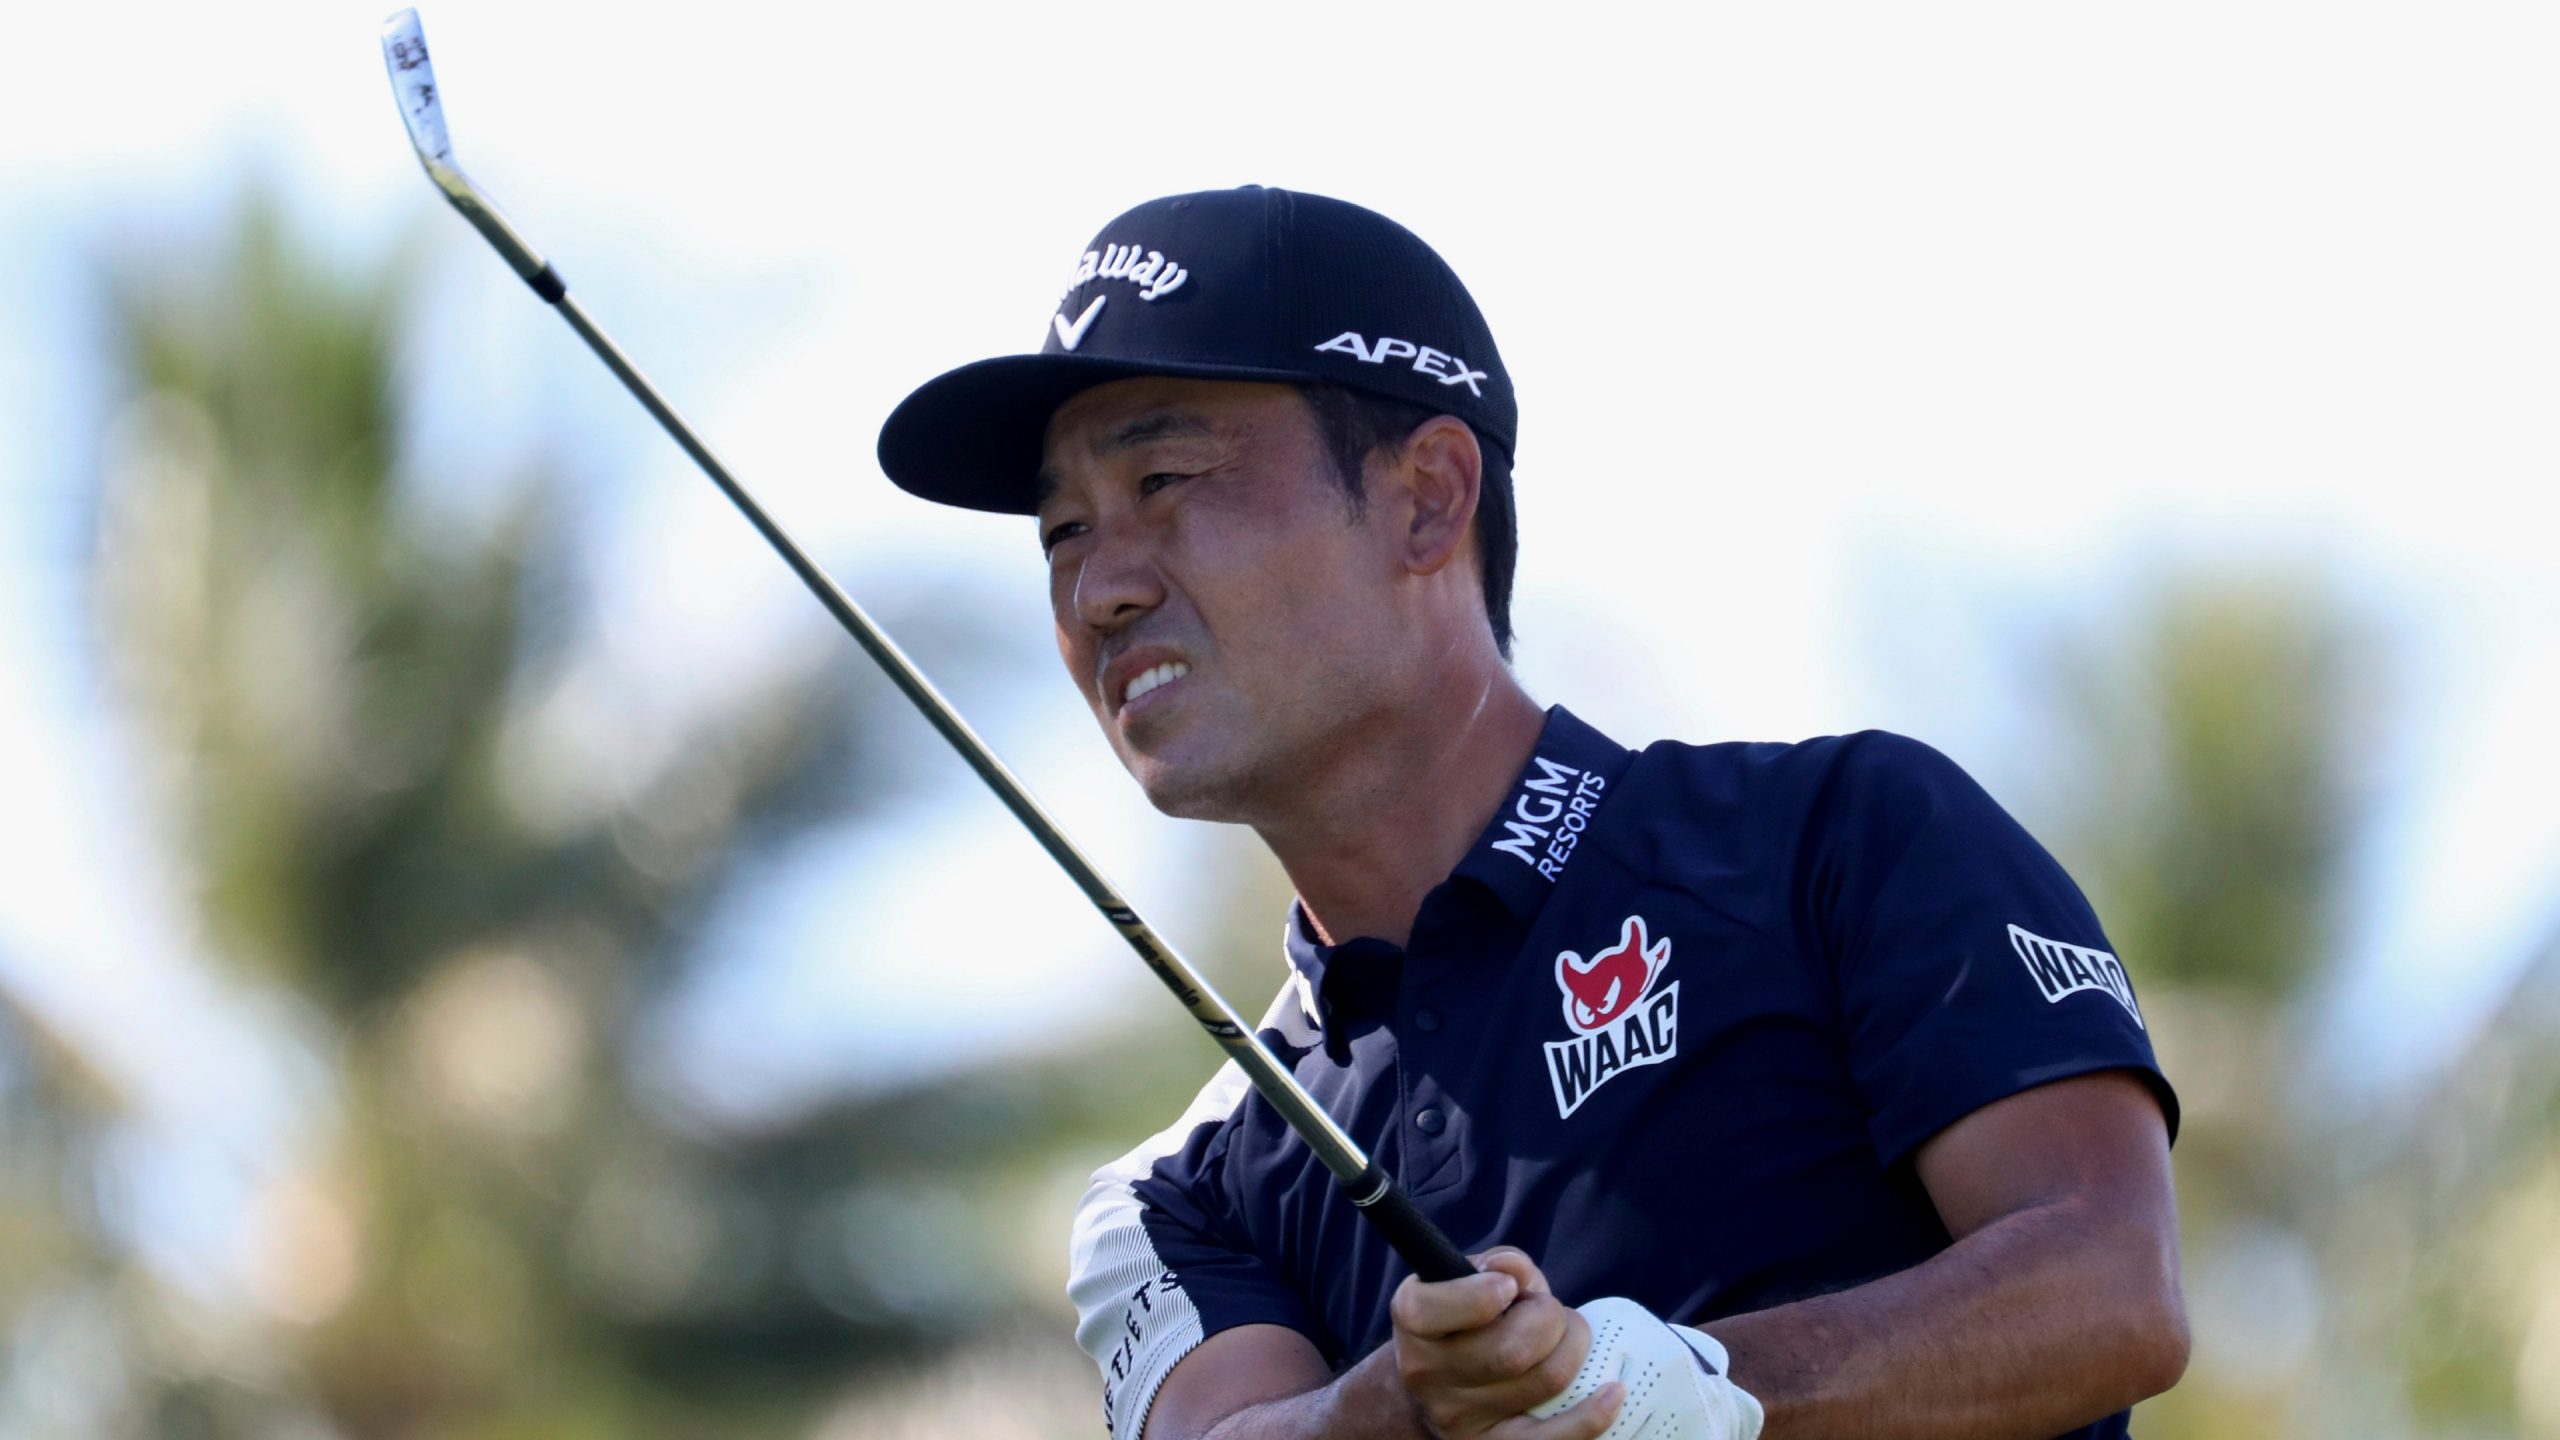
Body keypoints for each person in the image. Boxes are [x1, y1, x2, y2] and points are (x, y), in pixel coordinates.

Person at [875, 186, 2187, 1440]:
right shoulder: (1177, 1196)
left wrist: (1695, 1391)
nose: (1099, 588)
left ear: (1428, 498)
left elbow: (2108, 1286)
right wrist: (1397, 1412)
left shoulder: (1841, 836)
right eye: (1060, 533)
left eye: (1163, 483)